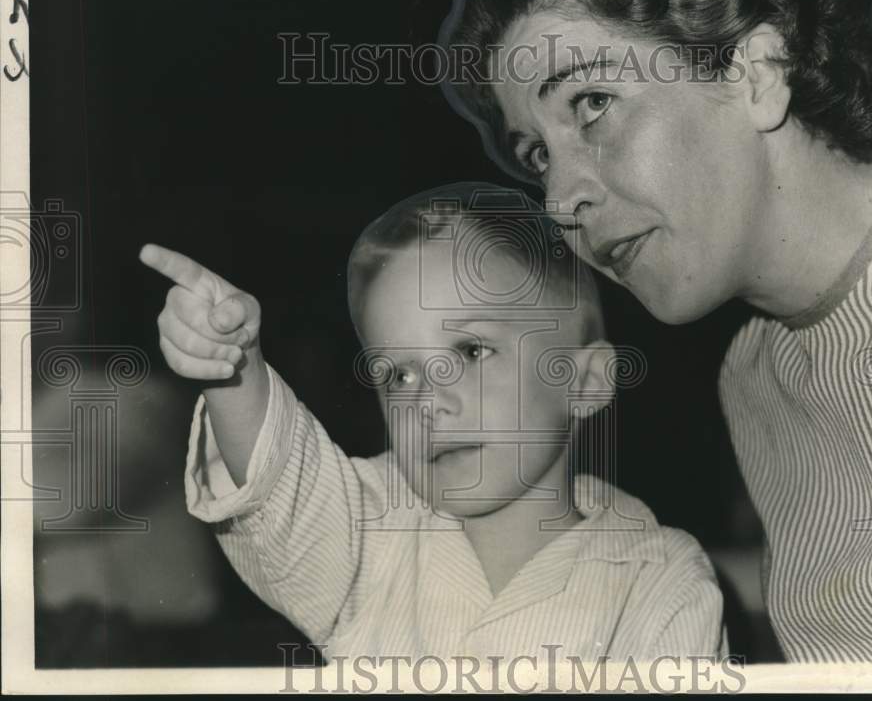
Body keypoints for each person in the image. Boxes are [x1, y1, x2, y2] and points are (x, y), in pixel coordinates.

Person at [441, 0, 872, 662]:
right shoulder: (756, 372)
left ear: (755, 73)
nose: (560, 201)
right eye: (537, 153)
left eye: (592, 102)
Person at [139, 182, 726, 663]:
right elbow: (284, 481)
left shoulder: (658, 581)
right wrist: (233, 365)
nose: (427, 402)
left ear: (584, 379)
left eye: (470, 352)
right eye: (397, 375)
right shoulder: (371, 534)